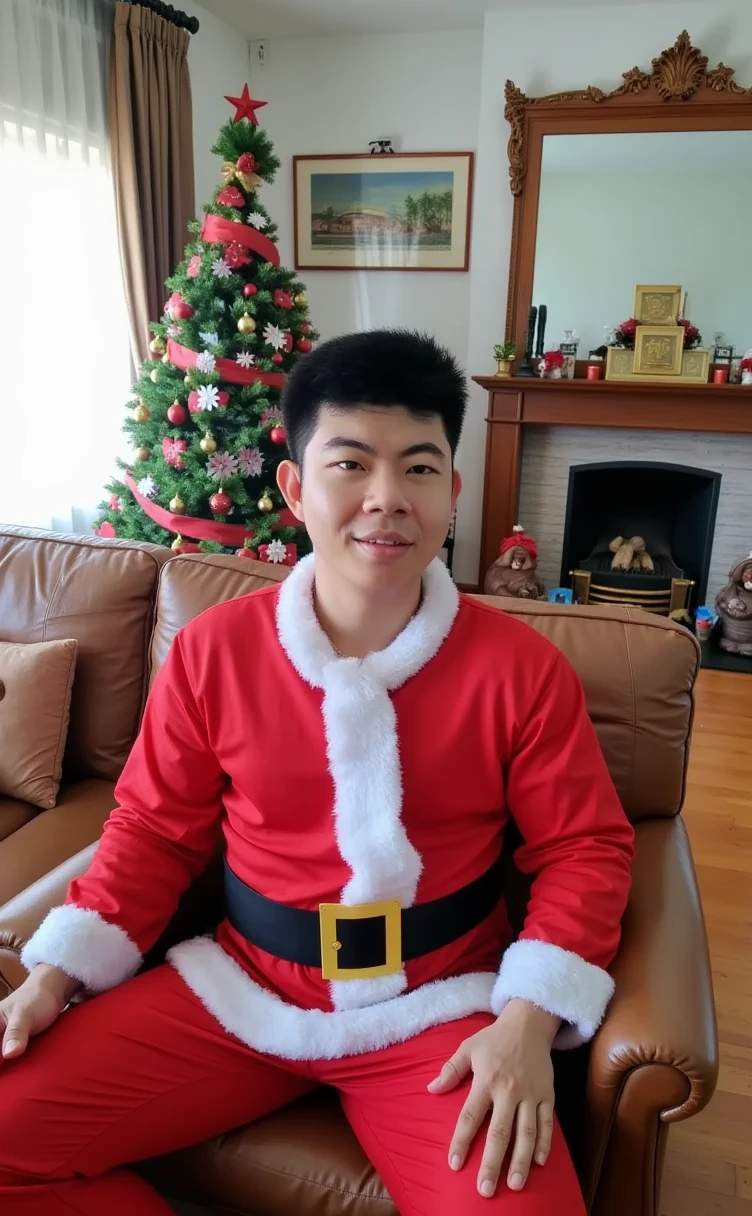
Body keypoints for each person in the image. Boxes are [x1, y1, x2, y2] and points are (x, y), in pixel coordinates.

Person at [0, 329, 634, 1215]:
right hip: (241, 990)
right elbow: (150, 829)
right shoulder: (213, 650)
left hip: (439, 1009)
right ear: (296, 486)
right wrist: (57, 973)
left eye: (419, 469)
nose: (386, 500)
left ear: (452, 492)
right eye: (351, 465)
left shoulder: (524, 669)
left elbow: (585, 849)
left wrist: (528, 1020)